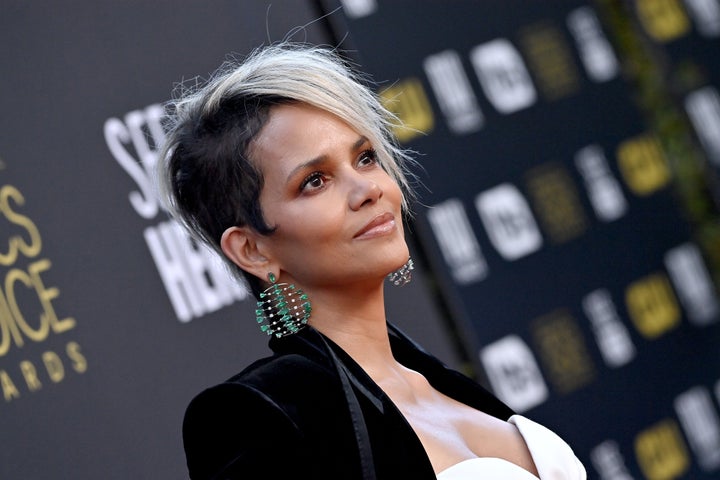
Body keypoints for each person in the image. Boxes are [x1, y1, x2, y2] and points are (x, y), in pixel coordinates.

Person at [158, 42, 586, 480]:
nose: (368, 189)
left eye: (365, 158)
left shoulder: (443, 382)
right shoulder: (262, 416)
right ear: (253, 249)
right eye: (315, 181)